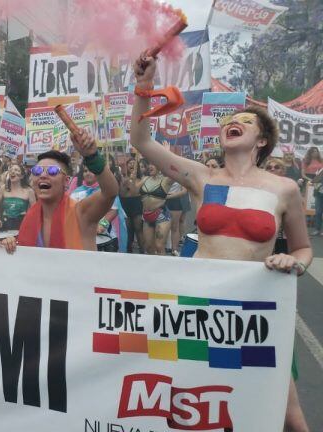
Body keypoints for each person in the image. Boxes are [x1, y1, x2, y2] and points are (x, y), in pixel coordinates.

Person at [131, 51, 311, 432]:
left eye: (244, 121)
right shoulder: (203, 178)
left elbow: (303, 248)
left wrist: (293, 262)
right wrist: (144, 89)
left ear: (261, 140)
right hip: (202, 306)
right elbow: (142, 140)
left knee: (286, 411)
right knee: (193, 400)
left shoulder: (284, 188)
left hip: (255, 309)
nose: (233, 123)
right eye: (229, 121)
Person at [0, 130, 119, 254]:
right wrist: (11, 243)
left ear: (66, 181)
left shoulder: (81, 213)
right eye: (38, 170)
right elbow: (28, 253)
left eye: (53, 171)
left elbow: (109, 192)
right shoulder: (31, 217)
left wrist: (92, 157)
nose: (43, 175)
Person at [71, 163, 126, 252]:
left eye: (91, 171)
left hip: (107, 239)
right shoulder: (76, 193)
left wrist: (102, 225)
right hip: (84, 240)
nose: (88, 173)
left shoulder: (106, 190)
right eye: (85, 171)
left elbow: (113, 210)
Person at [139, 162, 173, 255]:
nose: (150, 166)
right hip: (147, 215)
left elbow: (176, 172)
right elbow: (133, 189)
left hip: (161, 215)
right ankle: (153, 268)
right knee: (149, 247)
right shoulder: (144, 179)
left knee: (159, 246)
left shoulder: (166, 180)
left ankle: (163, 268)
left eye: (153, 163)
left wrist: (164, 159)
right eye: (149, 164)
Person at [0, 163, 36, 231]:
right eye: (11, 170)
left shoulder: (29, 191)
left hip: (22, 224)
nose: (13, 172)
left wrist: (30, 223)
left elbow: (35, 211)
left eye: (16, 170)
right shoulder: (3, 189)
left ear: (22, 176)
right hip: (5, 224)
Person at [120, 157, 144, 252]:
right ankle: (128, 250)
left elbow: (136, 191)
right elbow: (122, 192)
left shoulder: (141, 178)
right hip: (125, 204)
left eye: (134, 163)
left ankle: (142, 251)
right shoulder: (122, 178)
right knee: (128, 229)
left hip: (136, 204)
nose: (131, 165)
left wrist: (133, 181)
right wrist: (125, 181)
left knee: (138, 229)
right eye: (129, 163)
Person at [166, 181, 190, 255]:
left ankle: (174, 249)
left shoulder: (178, 174)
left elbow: (184, 191)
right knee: (162, 225)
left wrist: (169, 196)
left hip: (175, 200)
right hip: (161, 200)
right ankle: (164, 247)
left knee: (174, 227)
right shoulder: (162, 173)